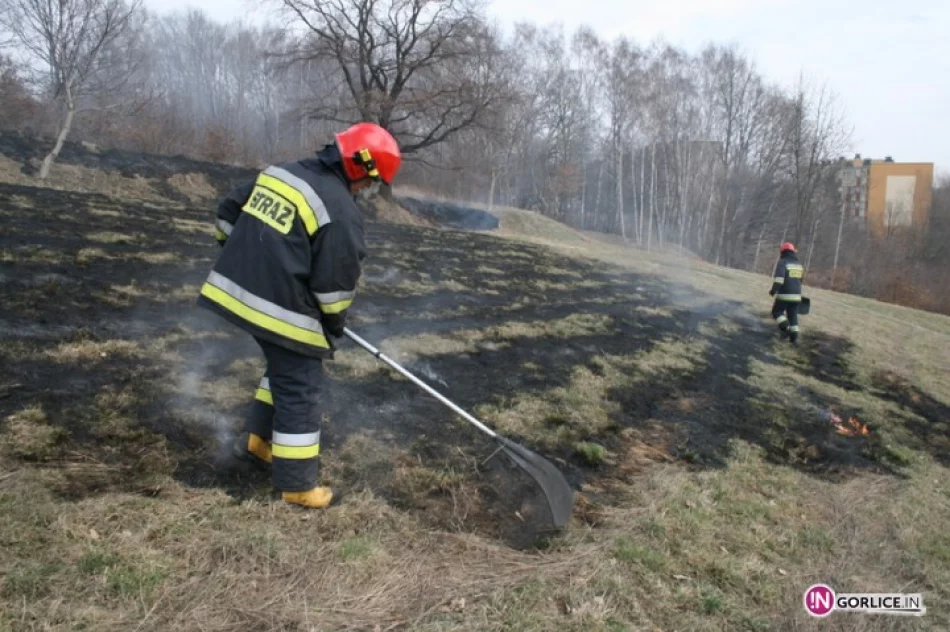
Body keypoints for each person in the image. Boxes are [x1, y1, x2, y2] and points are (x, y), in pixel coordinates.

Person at [197, 122, 401, 508]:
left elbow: (228, 211)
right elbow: (334, 289)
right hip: (277, 307)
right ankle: (297, 486)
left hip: (235, 289)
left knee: (283, 365)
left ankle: (258, 441)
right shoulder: (340, 211)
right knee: (301, 384)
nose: (367, 192)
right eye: (371, 184)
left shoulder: (281, 173)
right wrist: (332, 326)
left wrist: (233, 253)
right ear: (361, 169)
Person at [769, 242, 805, 345]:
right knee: (793, 316)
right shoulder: (799, 264)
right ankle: (794, 339)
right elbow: (800, 280)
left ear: (783, 251)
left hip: (785, 295)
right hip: (797, 296)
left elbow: (779, 280)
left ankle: (786, 329)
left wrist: (773, 291)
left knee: (777, 312)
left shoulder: (783, 262)